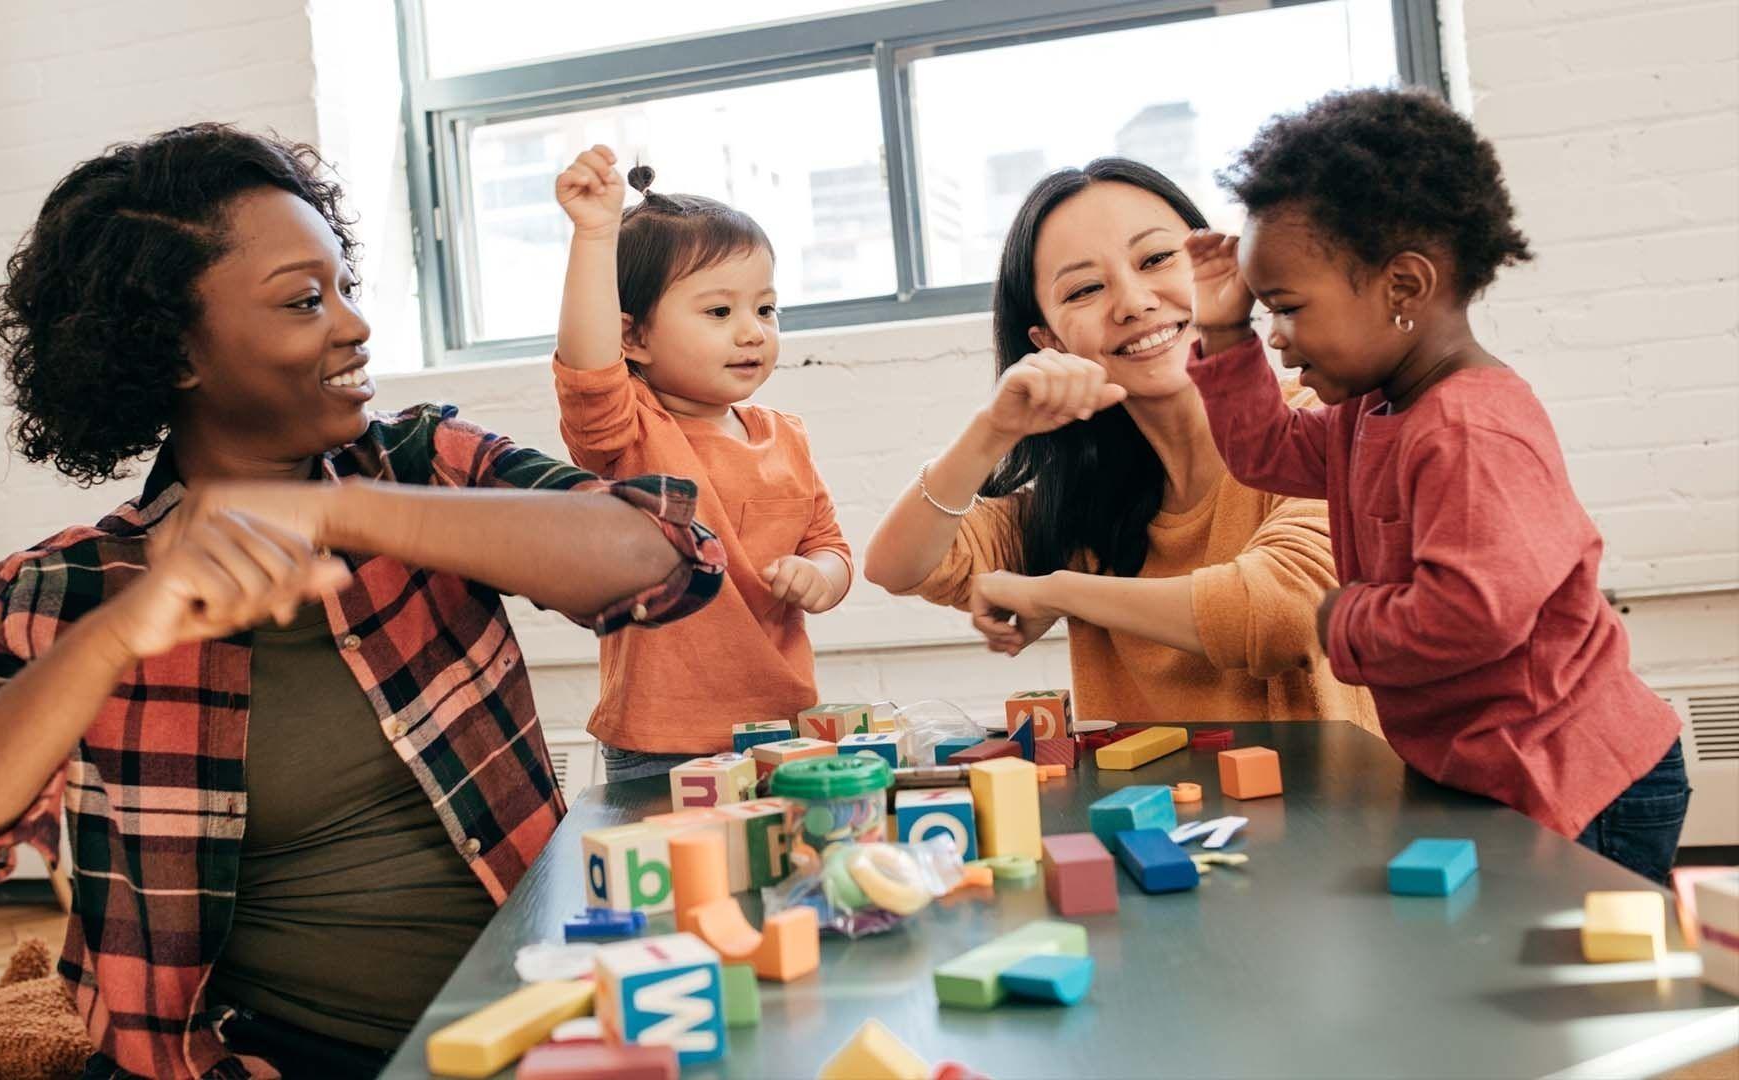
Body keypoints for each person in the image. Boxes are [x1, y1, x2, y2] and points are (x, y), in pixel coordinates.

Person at [0, 124, 724, 1079]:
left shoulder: (418, 471)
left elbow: (664, 554)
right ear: (175, 354)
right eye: (303, 300)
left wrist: (342, 511)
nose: (354, 323)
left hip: (540, 1020)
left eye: (343, 287)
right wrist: (113, 638)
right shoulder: (62, 593)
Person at [1185, 87, 1686, 882]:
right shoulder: (1373, 409)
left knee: (1573, 986)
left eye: (1286, 308)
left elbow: (1469, 616)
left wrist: (1337, 617)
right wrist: (1221, 329)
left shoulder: (1468, 431)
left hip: (1576, 781)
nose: (1275, 334)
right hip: (1495, 770)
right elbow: (1269, 450)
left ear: (1404, 289)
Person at [865, 158, 1375, 729]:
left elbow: (1286, 612)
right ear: (1050, 340)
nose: (1133, 302)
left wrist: (1060, 592)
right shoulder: (1081, 499)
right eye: (1085, 289)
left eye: (1156, 259)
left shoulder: (1322, 428)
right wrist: (993, 430)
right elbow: (898, 566)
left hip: (1332, 815)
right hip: (1146, 820)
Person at [551, 146, 853, 781]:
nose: (752, 331)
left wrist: (820, 574)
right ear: (633, 338)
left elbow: (831, 546)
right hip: (662, 744)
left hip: (785, 729)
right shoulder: (627, 433)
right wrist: (594, 234)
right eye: (719, 312)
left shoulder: (786, 437)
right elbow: (587, 365)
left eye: (765, 309)